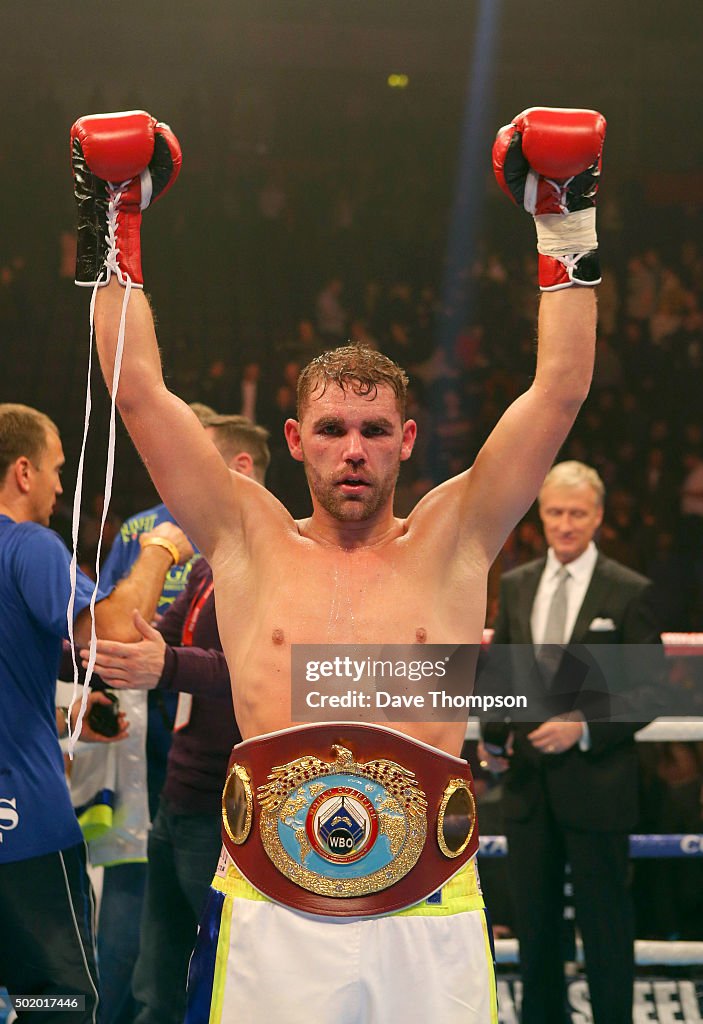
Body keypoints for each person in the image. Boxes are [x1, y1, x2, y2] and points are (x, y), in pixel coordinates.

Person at [73, 105, 605, 1023]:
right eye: (329, 430)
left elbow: (558, 390)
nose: (350, 450)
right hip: (271, 914)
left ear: (404, 441)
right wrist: (112, 216)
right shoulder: (246, 537)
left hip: (430, 909)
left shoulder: (455, 535)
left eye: (370, 431)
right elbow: (137, 390)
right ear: (294, 440)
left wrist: (561, 214)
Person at [0, 403, 191, 1023]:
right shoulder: (29, 544)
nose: (61, 486)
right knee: (53, 1003)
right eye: (56, 470)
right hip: (20, 829)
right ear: (23, 471)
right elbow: (113, 631)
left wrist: (59, 717)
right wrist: (161, 546)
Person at [82, 416, 269, 1024]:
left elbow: (259, 669)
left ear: (238, 471)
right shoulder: (204, 565)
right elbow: (155, 645)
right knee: (154, 982)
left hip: (230, 804)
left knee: (224, 974)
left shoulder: (277, 560)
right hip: (178, 795)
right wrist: (77, 652)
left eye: (194, 466)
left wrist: (165, 666)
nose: (179, 485)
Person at [478, 461, 661, 1024]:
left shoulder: (629, 592)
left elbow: (649, 693)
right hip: (529, 786)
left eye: (576, 513)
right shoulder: (516, 584)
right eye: (555, 512)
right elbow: (502, 674)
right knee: (535, 928)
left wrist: (582, 726)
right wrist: (492, 736)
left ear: (598, 517)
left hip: (598, 785)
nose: (564, 524)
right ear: (541, 515)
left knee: (605, 924)